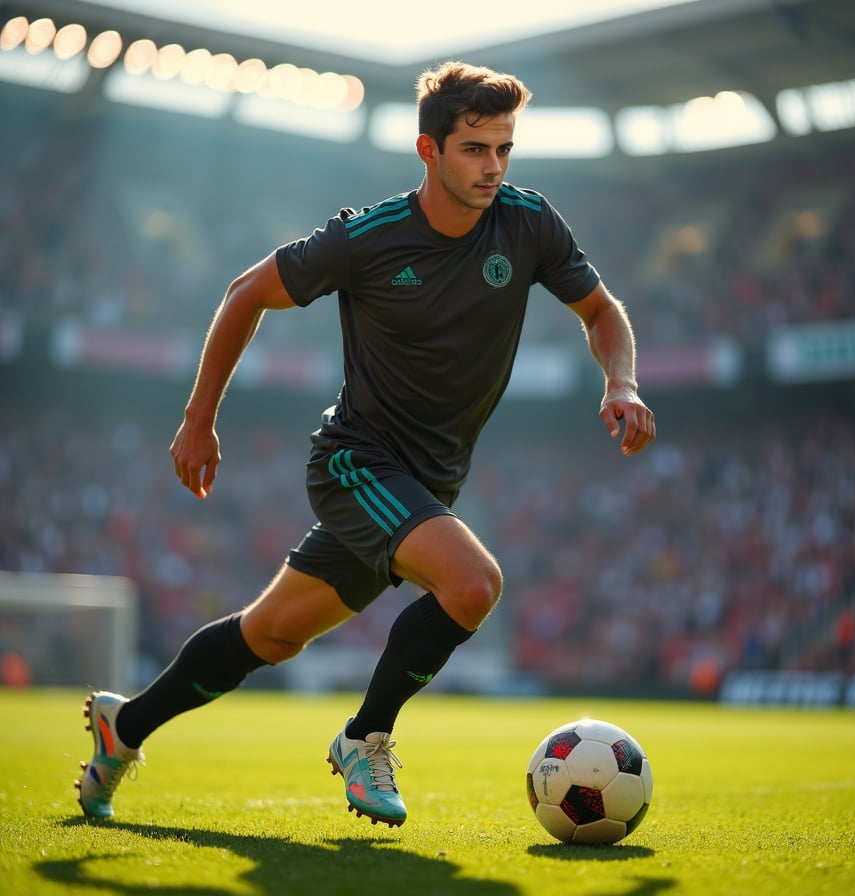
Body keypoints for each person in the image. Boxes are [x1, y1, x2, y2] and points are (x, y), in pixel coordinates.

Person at [75, 60, 656, 828]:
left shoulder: (528, 223)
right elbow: (245, 294)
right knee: (474, 584)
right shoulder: (366, 237)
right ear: (429, 151)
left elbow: (603, 312)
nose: (493, 167)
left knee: (272, 634)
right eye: (475, 149)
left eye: (504, 149)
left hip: (429, 483)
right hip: (355, 464)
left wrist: (622, 383)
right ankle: (365, 738)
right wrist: (197, 418)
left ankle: (128, 727)